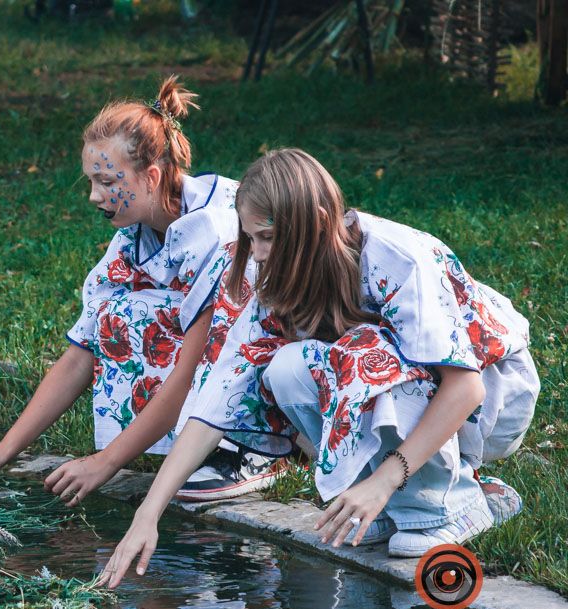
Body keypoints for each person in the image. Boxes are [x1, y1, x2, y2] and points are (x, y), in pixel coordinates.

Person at [98, 148, 537, 586]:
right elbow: (215, 401)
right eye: (250, 238)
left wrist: (384, 480)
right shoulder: (278, 279)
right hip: (418, 391)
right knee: (287, 368)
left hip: (495, 395)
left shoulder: (395, 259)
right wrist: (148, 513)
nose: (257, 254)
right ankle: (386, 505)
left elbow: (466, 388)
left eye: (267, 237)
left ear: (319, 222)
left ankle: (451, 504)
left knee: (363, 351)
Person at [0, 76, 284, 504]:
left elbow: (200, 362)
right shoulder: (136, 233)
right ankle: (189, 443)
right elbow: (83, 348)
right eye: (90, 181)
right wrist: (4, 449)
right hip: (224, 356)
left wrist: (106, 462)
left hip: (285, 351)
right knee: (116, 315)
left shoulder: (215, 232)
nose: (92, 196)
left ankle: (256, 447)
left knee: (185, 325)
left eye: (105, 181)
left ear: (151, 176)